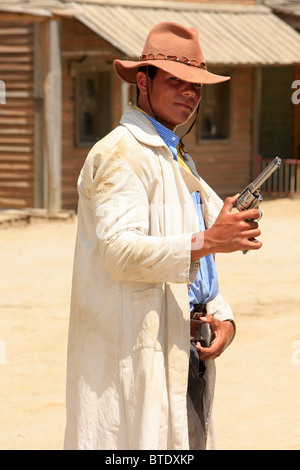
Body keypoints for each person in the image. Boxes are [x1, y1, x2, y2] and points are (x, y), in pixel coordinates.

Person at [64, 22, 262, 450]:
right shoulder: (121, 153)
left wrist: (223, 315)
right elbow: (120, 251)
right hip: (135, 353)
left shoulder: (173, 154)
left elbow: (197, 255)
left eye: (197, 85)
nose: (190, 93)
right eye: (176, 81)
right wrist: (210, 240)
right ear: (142, 80)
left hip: (188, 346)